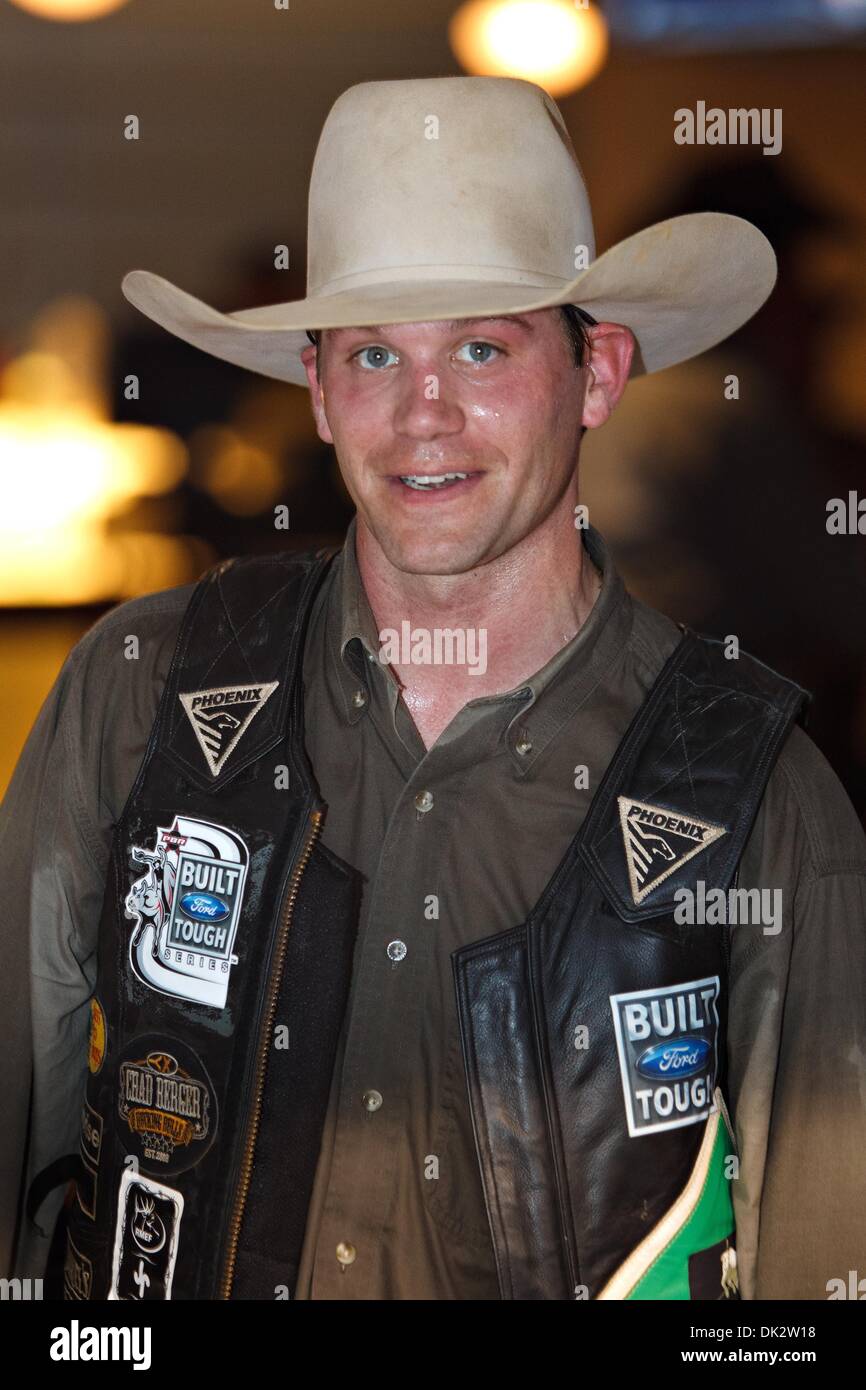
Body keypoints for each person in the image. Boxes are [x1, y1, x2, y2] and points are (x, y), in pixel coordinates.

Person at [1, 75, 864, 1302]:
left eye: (479, 346)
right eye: (371, 355)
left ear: (597, 373)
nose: (423, 416)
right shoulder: (136, 692)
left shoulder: (759, 790)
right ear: (315, 389)